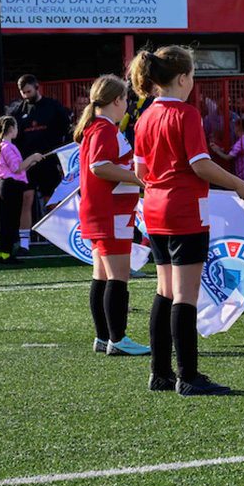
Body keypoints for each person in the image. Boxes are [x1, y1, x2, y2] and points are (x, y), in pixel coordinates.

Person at [131, 45, 244, 396]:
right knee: (185, 294)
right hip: (185, 209)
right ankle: (188, 376)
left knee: (164, 291)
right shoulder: (185, 115)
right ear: (183, 78)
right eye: (193, 79)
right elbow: (200, 164)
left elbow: (140, 172)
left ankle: (160, 373)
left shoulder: (144, 117)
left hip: (153, 209)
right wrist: (238, 183)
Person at [73, 75, 149, 356]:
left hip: (101, 211)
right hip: (111, 212)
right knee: (117, 278)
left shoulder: (95, 127)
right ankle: (118, 338)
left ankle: (104, 338)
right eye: (126, 100)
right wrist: (140, 180)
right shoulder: (104, 129)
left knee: (102, 277)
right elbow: (99, 167)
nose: (127, 106)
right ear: (117, 100)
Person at [13, 74, 70, 249]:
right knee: (26, 198)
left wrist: (63, 158)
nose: (25, 95)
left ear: (37, 87)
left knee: (52, 201)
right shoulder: (18, 112)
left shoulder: (53, 107)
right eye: (22, 93)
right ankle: (24, 243)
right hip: (28, 165)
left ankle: (59, 240)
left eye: (28, 91)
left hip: (49, 162)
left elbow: (67, 131)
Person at [0, 116, 42, 264]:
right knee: (11, 220)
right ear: (11, 129)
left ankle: (2, 253)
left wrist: (31, 162)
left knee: (9, 219)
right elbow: (16, 168)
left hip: (11, 185)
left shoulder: (6, 147)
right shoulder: (7, 147)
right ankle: (6, 253)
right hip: (11, 186)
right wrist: (32, 157)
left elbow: (20, 168)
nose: (17, 131)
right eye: (16, 128)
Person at [209, 117, 244, 188]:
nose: (233, 129)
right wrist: (219, 148)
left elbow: (228, 157)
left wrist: (217, 151)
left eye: (235, 127)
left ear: (239, 128)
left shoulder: (241, 141)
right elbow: (232, 149)